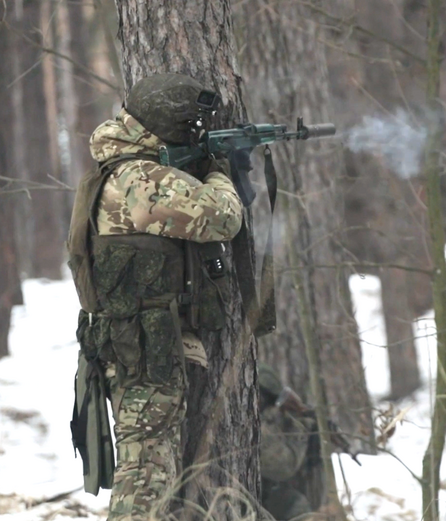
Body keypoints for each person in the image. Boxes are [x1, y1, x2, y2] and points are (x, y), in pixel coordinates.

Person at [67, 72, 247, 520]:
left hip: (141, 345)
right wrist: (219, 173)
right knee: (146, 481)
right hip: (144, 352)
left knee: (158, 475)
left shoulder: (125, 168)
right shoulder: (141, 179)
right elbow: (221, 218)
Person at [257, 363, 316, 520]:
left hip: (263, 493)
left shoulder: (271, 418)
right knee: (296, 507)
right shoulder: (254, 424)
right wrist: (301, 426)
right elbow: (283, 468)